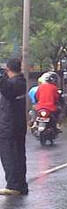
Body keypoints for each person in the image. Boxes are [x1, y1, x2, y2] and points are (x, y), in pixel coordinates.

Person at [0, 58, 28, 196]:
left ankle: (13, 185)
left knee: (9, 156)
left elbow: (5, 88)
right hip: (19, 125)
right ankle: (21, 184)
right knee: (19, 156)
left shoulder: (12, 85)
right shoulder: (21, 82)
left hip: (8, 126)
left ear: (8, 69)